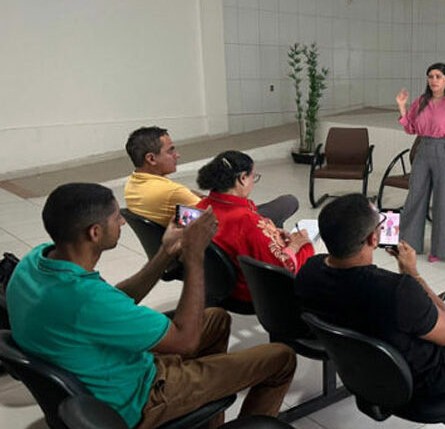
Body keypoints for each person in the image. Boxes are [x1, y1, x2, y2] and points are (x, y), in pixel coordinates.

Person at [6, 183, 296, 428]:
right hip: (138, 397)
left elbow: (116, 301)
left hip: (97, 368)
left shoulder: (36, 262)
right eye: (116, 217)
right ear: (94, 233)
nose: (122, 222)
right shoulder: (84, 298)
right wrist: (194, 256)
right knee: (281, 357)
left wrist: (166, 252)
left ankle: (206, 413)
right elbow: (186, 340)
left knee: (217, 318)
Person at [295, 193, 445, 401]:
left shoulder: (309, 271)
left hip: (372, 370)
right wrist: (412, 273)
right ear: (374, 239)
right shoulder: (397, 290)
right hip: (430, 377)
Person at [196, 151, 314, 302]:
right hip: (247, 290)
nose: (253, 182)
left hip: (212, 282)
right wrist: (296, 245)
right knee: (307, 249)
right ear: (242, 178)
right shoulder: (246, 220)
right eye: (253, 177)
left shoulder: (200, 208)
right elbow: (281, 268)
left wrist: (271, 233)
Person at [124, 126, 298, 228]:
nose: (177, 155)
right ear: (151, 158)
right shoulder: (170, 192)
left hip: (182, 244)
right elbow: (217, 219)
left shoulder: (133, 184)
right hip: (222, 236)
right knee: (288, 202)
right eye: (171, 150)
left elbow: (192, 209)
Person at [395, 63, 445, 262]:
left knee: (444, 201)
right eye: (430, 76)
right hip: (424, 150)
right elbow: (411, 128)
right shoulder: (421, 101)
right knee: (415, 196)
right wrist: (402, 107)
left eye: (438, 76)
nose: (433, 80)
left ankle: (440, 251)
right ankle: (409, 244)